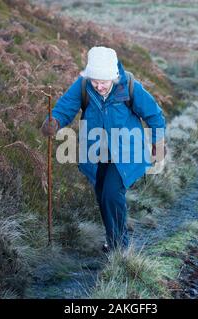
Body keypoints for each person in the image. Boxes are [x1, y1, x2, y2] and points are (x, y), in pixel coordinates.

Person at [41, 46, 166, 252]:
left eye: (104, 82)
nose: (99, 86)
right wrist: (53, 122)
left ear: (114, 77)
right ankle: (113, 238)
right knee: (102, 195)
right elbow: (65, 108)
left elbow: (154, 115)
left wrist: (157, 143)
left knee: (111, 193)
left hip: (126, 152)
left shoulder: (130, 87)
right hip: (96, 151)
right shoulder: (82, 86)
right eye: (95, 81)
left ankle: (120, 246)